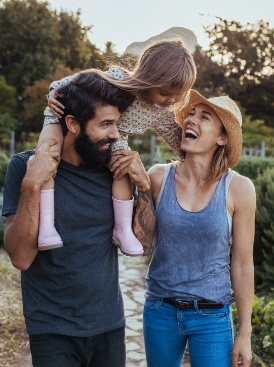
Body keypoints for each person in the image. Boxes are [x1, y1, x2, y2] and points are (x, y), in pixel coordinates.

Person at [2, 71, 155, 367]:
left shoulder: (114, 169)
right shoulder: (24, 166)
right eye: (106, 124)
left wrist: (144, 186)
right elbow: (20, 257)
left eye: (117, 123)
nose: (115, 134)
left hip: (109, 324)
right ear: (72, 123)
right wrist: (32, 184)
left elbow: (144, 242)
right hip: (52, 329)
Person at [37, 39, 196, 256]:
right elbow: (70, 82)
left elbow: (176, 139)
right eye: (165, 93)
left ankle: (121, 230)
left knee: (123, 168)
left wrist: (199, 156)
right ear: (148, 78)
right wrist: (54, 94)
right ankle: (45, 224)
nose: (171, 100)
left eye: (179, 96)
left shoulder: (162, 111)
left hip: (112, 138)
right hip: (62, 117)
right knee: (47, 154)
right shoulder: (118, 79)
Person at [143, 90, 255, 367]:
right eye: (190, 114)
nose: (191, 120)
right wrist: (133, 182)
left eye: (204, 117)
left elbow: (242, 264)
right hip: (160, 310)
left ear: (222, 138)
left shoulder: (239, 189)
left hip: (212, 316)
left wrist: (245, 333)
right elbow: (138, 243)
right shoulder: (157, 177)